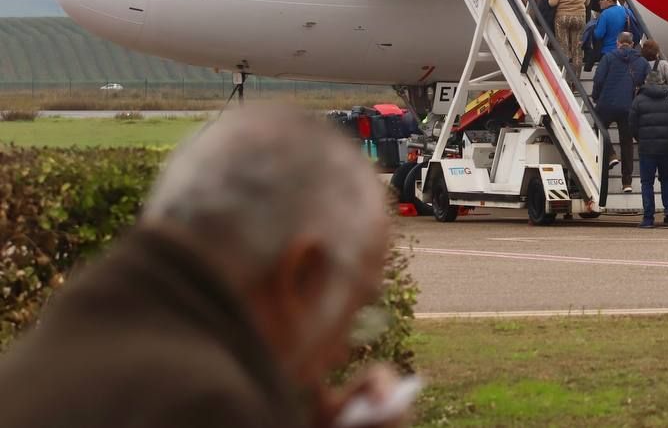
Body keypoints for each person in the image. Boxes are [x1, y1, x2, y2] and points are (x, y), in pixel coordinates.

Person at [0, 104, 404, 428]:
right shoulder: (203, 403)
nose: (339, 354)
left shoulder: (76, 340)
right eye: (356, 313)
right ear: (302, 274)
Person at [590, 31, 649, 192]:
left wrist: (596, 96)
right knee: (627, 143)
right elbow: (647, 84)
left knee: (598, 128)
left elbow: (599, 79)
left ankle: (610, 155)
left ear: (617, 43)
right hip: (628, 106)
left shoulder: (608, 58)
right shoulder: (642, 62)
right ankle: (627, 182)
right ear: (632, 44)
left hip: (606, 104)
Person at [629, 69, 668, 227]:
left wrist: (640, 138)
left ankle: (648, 218)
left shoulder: (639, 100)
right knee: (666, 179)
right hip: (667, 147)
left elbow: (632, 123)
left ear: (646, 82)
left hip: (647, 147)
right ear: (662, 81)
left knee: (647, 183)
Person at [548, 0, 590, 70]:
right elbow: (587, 1)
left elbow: (552, 2)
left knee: (563, 49)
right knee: (577, 49)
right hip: (580, 17)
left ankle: (565, 77)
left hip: (562, 17)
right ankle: (575, 80)